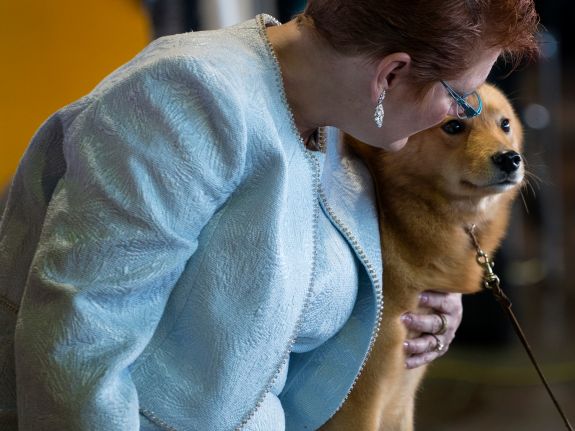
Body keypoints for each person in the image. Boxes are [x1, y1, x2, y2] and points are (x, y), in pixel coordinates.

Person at [0, 0, 539, 429]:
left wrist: (415, 318)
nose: (459, 114)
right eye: (460, 98)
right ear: (390, 74)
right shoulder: (184, 97)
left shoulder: (338, 124)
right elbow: (76, 353)